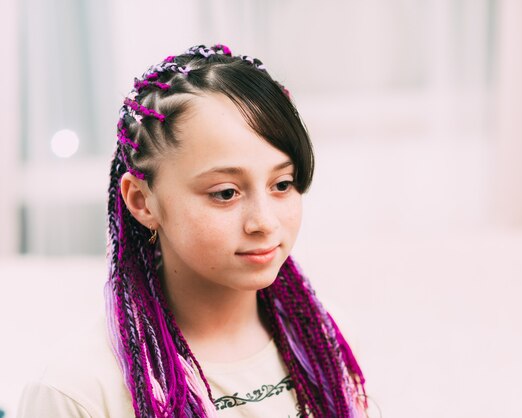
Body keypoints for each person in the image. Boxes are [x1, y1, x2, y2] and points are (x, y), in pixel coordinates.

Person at [17, 44, 368, 417]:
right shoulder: (78, 391)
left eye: (282, 184)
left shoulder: (324, 335)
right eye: (226, 193)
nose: (264, 222)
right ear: (142, 201)